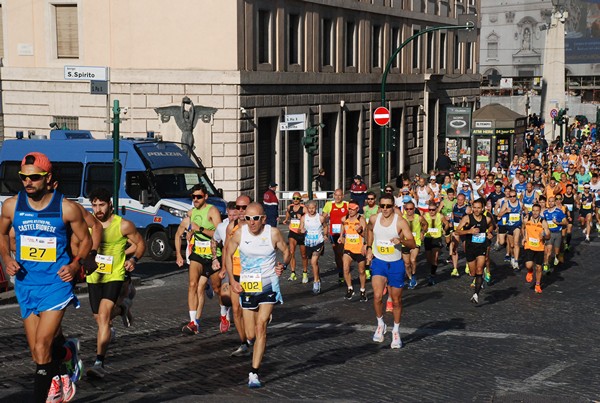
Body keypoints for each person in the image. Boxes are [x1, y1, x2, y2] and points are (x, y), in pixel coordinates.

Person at [0, 152, 93, 402]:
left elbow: (87, 240)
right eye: (23, 177)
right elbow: (1, 234)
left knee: (42, 346)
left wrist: (75, 266)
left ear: (47, 177)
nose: (28, 182)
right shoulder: (11, 205)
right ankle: (66, 354)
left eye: (34, 177)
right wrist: (8, 260)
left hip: (56, 283)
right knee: (37, 353)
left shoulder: (66, 208)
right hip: (26, 283)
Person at [225, 203, 290, 388]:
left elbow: (286, 252)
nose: (251, 223)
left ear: (263, 219)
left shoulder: (273, 233)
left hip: (268, 284)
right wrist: (232, 281)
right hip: (247, 286)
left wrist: (283, 266)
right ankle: (258, 326)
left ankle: (254, 373)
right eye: (248, 218)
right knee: (251, 334)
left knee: (261, 327)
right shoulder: (239, 234)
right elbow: (228, 254)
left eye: (255, 219)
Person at [85, 187, 146, 379]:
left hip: (114, 275)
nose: (98, 209)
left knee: (103, 317)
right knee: (99, 317)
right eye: (94, 205)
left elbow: (140, 243)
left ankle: (99, 362)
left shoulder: (123, 225)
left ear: (110, 204)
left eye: (101, 205)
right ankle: (123, 308)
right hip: (94, 276)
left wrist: (133, 259)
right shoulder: (88, 224)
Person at [366, 193, 416, 348]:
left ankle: (396, 330)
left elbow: (412, 243)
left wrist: (400, 240)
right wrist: (368, 247)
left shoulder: (400, 221)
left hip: (395, 264)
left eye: (388, 206)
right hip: (379, 262)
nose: (385, 209)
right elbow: (368, 230)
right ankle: (380, 324)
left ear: (393, 206)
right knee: (376, 296)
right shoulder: (374, 219)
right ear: (379, 206)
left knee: (396, 301)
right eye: (382, 206)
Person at [175, 185, 222, 335]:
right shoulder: (191, 213)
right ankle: (193, 322)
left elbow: (219, 234)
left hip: (214, 254)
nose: (195, 199)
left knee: (217, 288)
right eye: (193, 197)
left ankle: (224, 311)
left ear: (205, 197)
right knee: (193, 285)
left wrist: (199, 229)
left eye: (198, 197)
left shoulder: (212, 211)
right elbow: (179, 232)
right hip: (198, 254)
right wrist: (179, 253)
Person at [223, 195, 253, 356]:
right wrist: (223, 269)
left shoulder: (255, 226)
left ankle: (251, 336)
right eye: (238, 207)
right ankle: (244, 343)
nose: (240, 211)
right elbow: (227, 250)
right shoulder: (231, 227)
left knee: (251, 309)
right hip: (235, 271)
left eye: (244, 207)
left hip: (252, 274)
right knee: (236, 309)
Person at [455, 199, 496, 304]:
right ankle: (479, 278)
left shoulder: (486, 219)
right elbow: (457, 231)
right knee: (473, 273)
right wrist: (469, 231)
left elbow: (491, 225)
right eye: (475, 208)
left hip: (481, 247)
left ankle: (476, 294)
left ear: (482, 208)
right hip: (470, 248)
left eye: (479, 208)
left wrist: (489, 232)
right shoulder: (467, 218)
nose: (476, 210)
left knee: (479, 269)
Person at [339, 201, 368, 301]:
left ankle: (363, 290)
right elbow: (342, 225)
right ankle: (350, 288)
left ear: (357, 209)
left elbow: (366, 235)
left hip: (359, 249)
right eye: (349, 209)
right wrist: (341, 236)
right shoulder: (344, 218)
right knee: (345, 269)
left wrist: (360, 231)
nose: (350, 211)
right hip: (348, 248)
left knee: (361, 271)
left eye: (352, 209)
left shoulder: (361, 219)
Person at [322, 189, 348, 284]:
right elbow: (322, 217)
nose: (337, 197)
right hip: (333, 233)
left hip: (344, 233)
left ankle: (344, 273)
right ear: (333, 195)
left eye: (339, 195)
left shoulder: (347, 205)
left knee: (341, 252)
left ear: (343, 196)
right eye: (336, 195)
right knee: (337, 254)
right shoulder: (329, 204)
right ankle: (340, 272)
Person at [300, 200, 326, 295]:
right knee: (314, 263)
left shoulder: (320, 218)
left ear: (316, 207)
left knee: (313, 262)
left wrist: (325, 234)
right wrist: (301, 230)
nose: (311, 210)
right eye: (309, 208)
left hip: (318, 243)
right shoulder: (304, 218)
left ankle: (316, 282)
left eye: (313, 208)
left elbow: (325, 226)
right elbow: (300, 228)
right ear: (307, 208)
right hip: (308, 243)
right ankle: (318, 277)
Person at [522, 204, 550, 294]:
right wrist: (524, 237)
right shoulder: (526, 219)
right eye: (533, 210)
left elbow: (548, 235)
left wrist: (544, 235)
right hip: (529, 246)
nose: (535, 212)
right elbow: (523, 228)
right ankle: (530, 271)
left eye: (537, 211)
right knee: (528, 265)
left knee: (538, 267)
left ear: (540, 211)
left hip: (539, 247)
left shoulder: (543, 222)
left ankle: (537, 285)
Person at [282, 192, 308, 282]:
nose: (295, 200)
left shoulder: (303, 208)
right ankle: (293, 273)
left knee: (304, 255)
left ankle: (305, 273)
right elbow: (288, 212)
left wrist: (301, 218)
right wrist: (286, 219)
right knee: (291, 252)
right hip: (292, 232)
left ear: (300, 199)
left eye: (297, 198)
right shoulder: (290, 207)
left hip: (301, 233)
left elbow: (308, 218)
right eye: (294, 198)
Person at [402, 201, 426, 289]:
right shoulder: (402, 218)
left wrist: (423, 232)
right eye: (407, 209)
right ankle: (410, 278)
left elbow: (425, 225)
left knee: (413, 259)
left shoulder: (419, 218)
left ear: (414, 209)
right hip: (405, 243)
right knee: (407, 264)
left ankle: (414, 275)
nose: (409, 211)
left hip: (416, 242)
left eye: (411, 209)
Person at [423, 200, 448, 285]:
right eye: (429, 210)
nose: (431, 212)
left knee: (435, 257)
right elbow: (421, 224)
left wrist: (444, 230)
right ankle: (431, 271)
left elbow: (446, 223)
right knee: (428, 258)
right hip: (428, 238)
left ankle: (432, 275)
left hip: (437, 238)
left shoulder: (440, 216)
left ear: (436, 209)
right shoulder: (425, 216)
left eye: (433, 210)